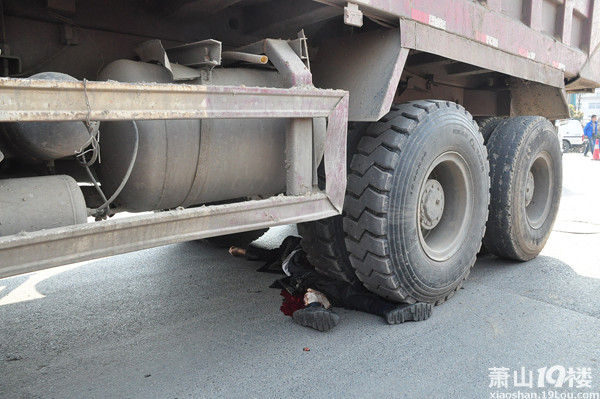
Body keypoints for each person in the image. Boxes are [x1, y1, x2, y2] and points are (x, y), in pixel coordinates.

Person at [230, 237, 432, 332]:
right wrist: (241, 251)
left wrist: (240, 251)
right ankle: (388, 309)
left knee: (334, 290)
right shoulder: (292, 247)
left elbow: (264, 254)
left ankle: (315, 309)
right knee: (338, 290)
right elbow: (264, 254)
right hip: (303, 269)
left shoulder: (296, 245)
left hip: (312, 268)